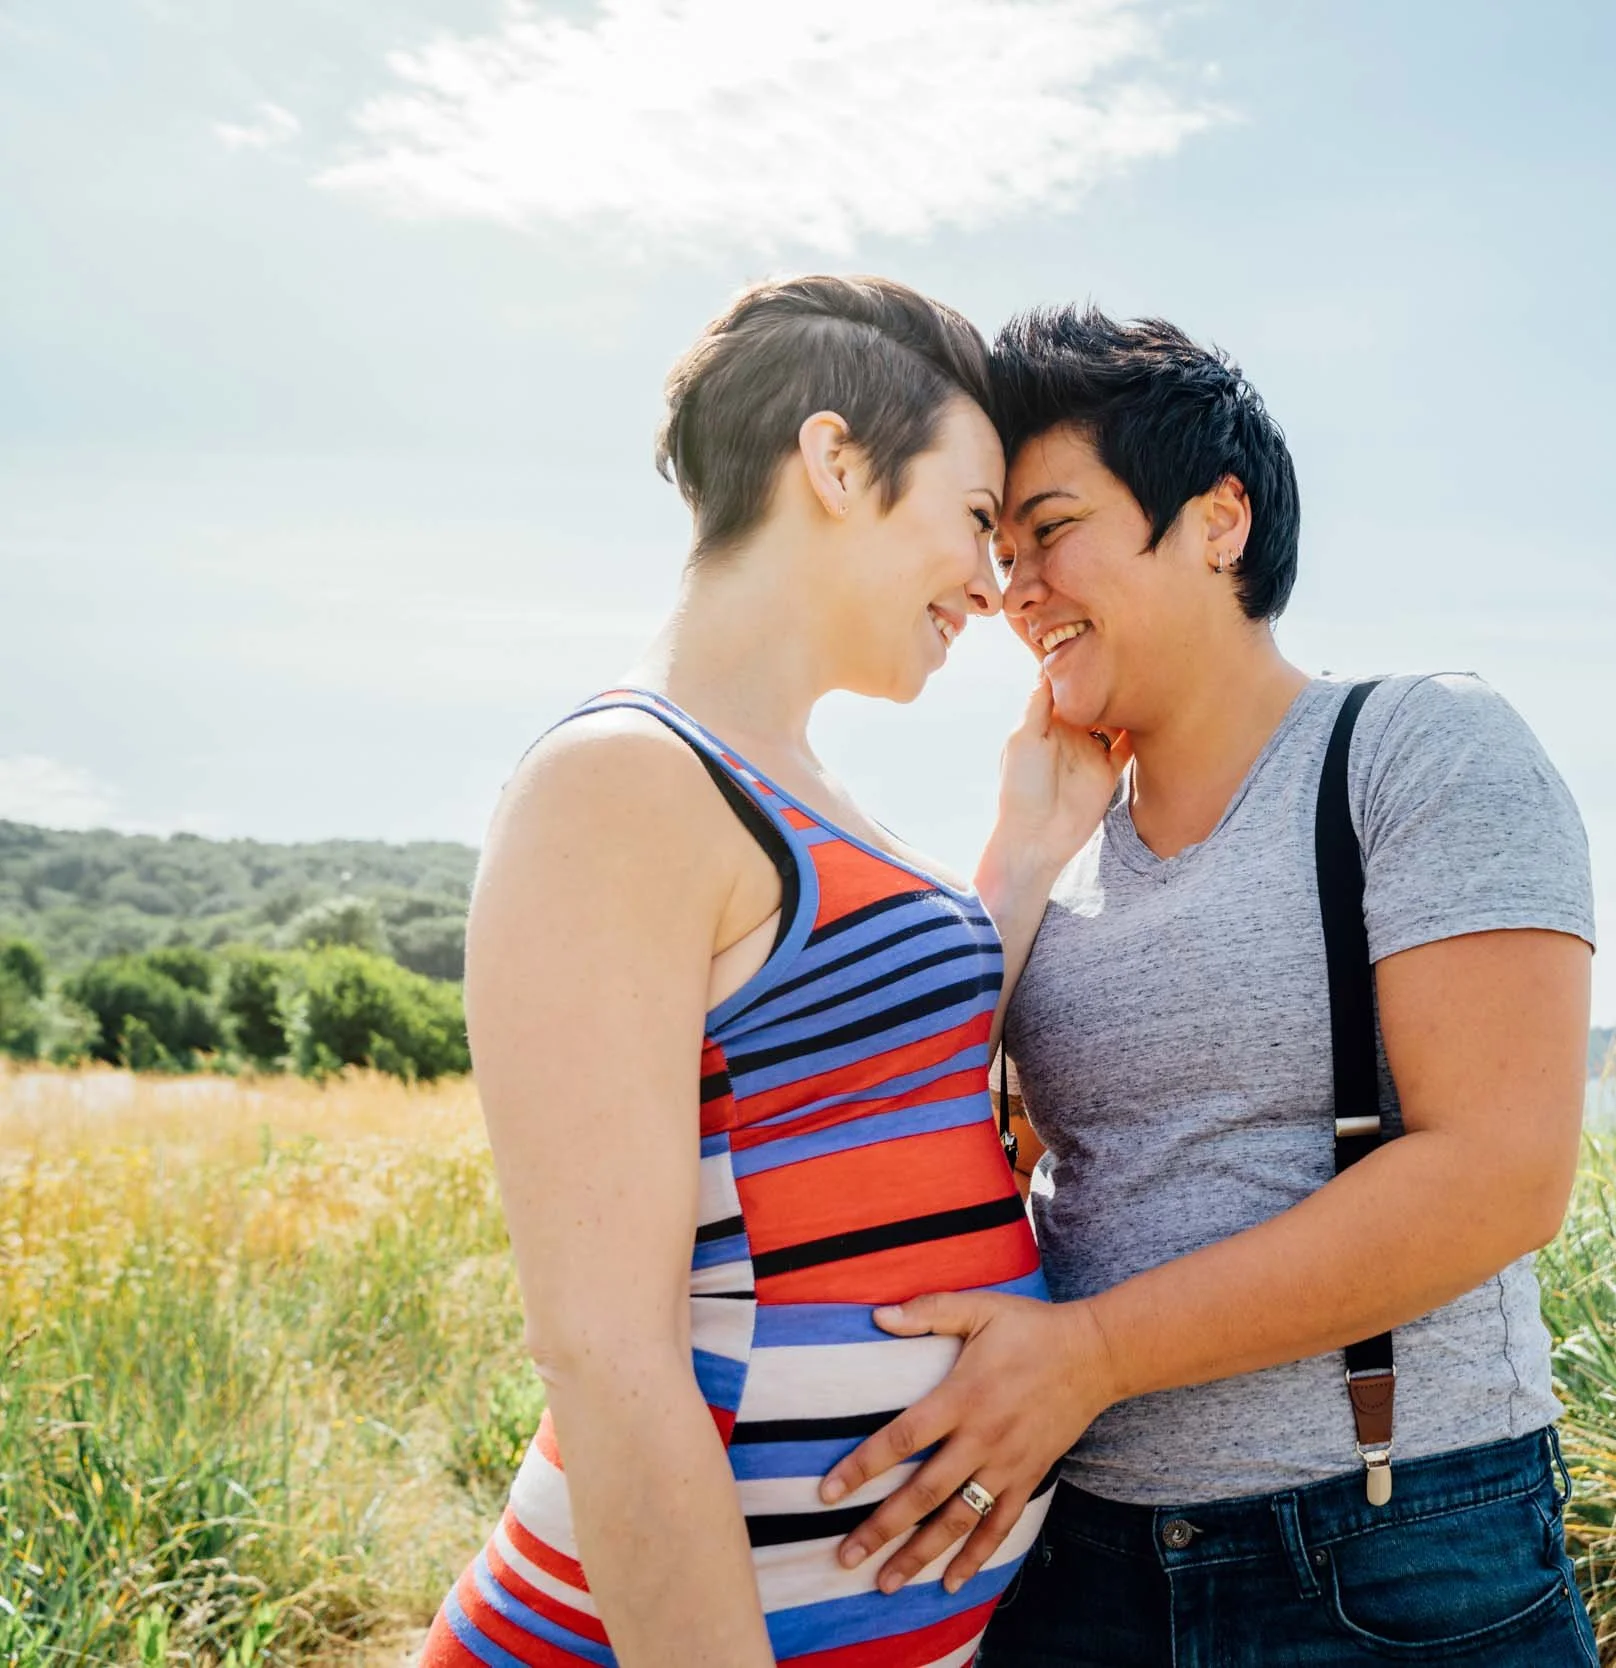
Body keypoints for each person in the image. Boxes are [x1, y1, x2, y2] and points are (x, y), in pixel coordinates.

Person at [816, 308, 1602, 1665]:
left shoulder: (1417, 748)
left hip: (1393, 1551)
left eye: (1052, 530)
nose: (1016, 590)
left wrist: (1095, 1354)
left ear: (1218, 520)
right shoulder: (1057, 843)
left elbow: (1500, 1175)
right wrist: (1019, 855)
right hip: (1078, 1558)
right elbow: (922, 1131)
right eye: (1000, 553)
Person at [418, 275, 1123, 1668]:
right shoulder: (620, 780)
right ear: (836, 462)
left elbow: (869, 1086)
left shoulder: (801, 793)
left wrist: (1028, 855)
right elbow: (608, 1359)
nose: (993, 587)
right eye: (976, 517)